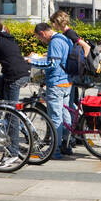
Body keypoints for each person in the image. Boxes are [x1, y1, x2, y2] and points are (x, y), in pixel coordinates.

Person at [29, 21, 75, 160]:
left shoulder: (54, 42)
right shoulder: (65, 38)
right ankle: (66, 144)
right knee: (65, 114)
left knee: (55, 118)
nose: (41, 40)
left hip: (56, 84)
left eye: (39, 38)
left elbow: (52, 64)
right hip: (67, 82)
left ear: (42, 33)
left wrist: (32, 62)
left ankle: (54, 150)